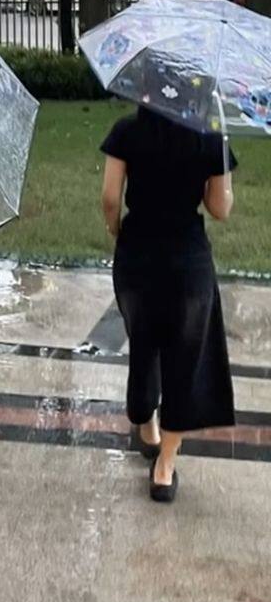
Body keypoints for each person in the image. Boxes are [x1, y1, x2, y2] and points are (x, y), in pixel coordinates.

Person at [100, 105, 236, 503]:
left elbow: (111, 197)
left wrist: (116, 230)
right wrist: (220, 153)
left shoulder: (126, 130)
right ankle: (164, 469)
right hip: (188, 265)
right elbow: (220, 209)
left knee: (143, 343)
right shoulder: (209, 135)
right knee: (185, 361)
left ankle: (146, 423)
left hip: (137, 257)